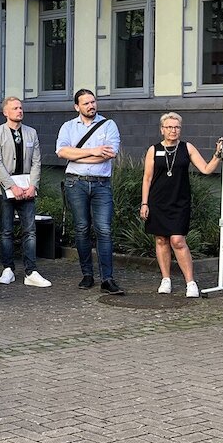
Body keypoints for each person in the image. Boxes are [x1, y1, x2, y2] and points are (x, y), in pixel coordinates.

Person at [139, 113, 223, 299]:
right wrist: (144, 203)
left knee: (177, 240)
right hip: (157, 201)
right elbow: (147, 178)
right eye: (169, 127)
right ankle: (166, 279)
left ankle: (190, 282)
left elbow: (206, 169)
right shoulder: (153, 150)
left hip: (180, 201)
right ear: (162, 129)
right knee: (161, 239)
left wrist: (218, 154)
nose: (173, 130)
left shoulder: (187, 148)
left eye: (176, 127)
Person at [56, 89, 124, 294]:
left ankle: (107, 278)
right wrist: (93, 151)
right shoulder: (68, 126)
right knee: (82, 228)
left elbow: (109, 154)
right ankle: (87, 274)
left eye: (93, 102)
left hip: (102, 184)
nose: (91, 106)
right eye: (86, 103)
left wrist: (77, 156)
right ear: (77, 106)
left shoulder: (109, 125)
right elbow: (62, 152)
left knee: (104, 229)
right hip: (75, 183)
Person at [0, 97, 48, 287]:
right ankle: (8, 269)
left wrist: (33, 185)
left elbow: (37, 161)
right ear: (6, 112)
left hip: (27, 186)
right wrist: (11, 186)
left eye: (21, 108)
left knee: (29, 230)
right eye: (14, 108)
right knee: (6, 230)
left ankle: (31, 271)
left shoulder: (31, 133)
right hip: (6, 188)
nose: (19, 111)